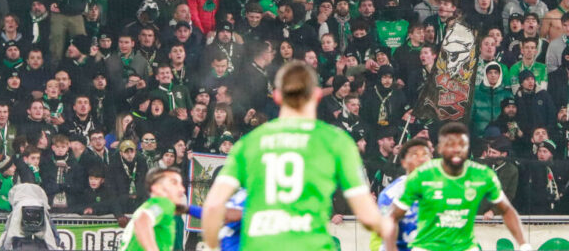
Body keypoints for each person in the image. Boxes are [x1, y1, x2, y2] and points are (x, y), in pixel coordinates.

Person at [201, 61, 394, 251]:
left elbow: (211, 208)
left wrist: (213, 246)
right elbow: (367, 213)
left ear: (276, 97)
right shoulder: (336, 141)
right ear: (317, 95)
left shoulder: (250, 143)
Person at [387, 122, 529, 251]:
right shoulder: (423, 174)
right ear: (441, 148)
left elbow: (507, 210)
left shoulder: (482, 173)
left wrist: (523, 244)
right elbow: (394, 216)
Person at [377, 139, 432, 251]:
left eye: (425, 154)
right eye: (415, 155)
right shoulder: (391, 194)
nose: (421, 159)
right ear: (404, 162)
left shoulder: (444, 188)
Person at [120, 166, 186, 251]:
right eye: (174, 183)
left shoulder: (155, 206)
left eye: (181, 184)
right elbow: (142, 221)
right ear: (157, 188)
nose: (182, 189)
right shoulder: (162, 204)